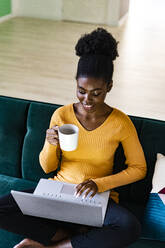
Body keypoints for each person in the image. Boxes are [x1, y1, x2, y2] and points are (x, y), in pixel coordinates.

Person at [0, 28, 147, 248]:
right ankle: (59, 234)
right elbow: (47, 167)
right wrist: (50, 145)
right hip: (58, 192)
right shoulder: (61, 115)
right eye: (81, 90)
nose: (87, 99)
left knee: (130, 226)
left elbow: (138, 168)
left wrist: (99, 184)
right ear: (76, 83)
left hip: (95, 198)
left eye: (96, 93)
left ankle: (58, 245)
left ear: (109, 86)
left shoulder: (120, 122)